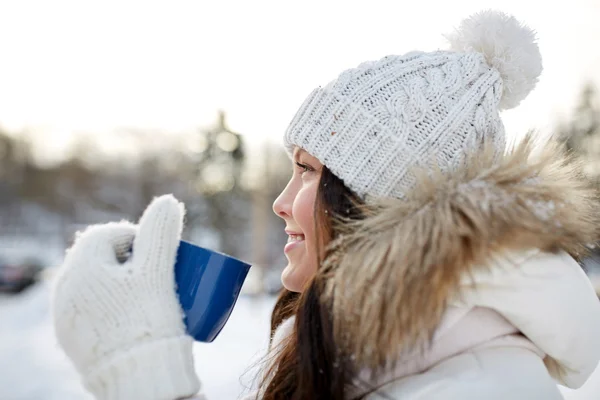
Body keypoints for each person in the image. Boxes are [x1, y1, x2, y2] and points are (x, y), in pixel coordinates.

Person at [51, 10, 600, 400]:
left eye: (308, 171)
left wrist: (141, 375)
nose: (281, 203)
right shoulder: (355, 352)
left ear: (383, 201)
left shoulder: (479, 388)